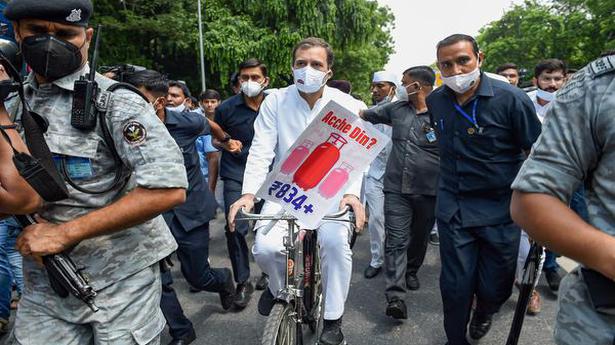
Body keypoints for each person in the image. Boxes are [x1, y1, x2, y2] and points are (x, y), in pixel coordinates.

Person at [3, 1, 190, 343]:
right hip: (46, 284)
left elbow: (168, 188)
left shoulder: (116, 102)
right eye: (37, 32)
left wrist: (66, 233)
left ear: (86, 36)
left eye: (64, 34)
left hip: (121, 281)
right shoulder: (11, 104)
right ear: (16, 33)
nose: (50, 42)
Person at [228, 37, 366, 345]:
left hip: (332, 191)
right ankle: (280, 292)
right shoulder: (275, 100)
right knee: (265, 248)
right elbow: (262, 150)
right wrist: (249, 193)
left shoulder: (349, 105)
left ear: (328, 72)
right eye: (301, 63)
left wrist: (353, 195)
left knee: (334, 245)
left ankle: (332, 320)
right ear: (292, 67)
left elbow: (357, 157)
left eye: (316, 65)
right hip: (287, 189)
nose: (307, 70)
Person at [426, 34, 541, 345]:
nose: (456, 70)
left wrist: (539, 209)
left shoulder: (512, 99)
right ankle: (455, 339)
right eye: (446, 65)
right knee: (455, 286)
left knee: (496, 286)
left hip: (501, 210)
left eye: (463, 60)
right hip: (454, 209)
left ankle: (485, 310)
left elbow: (537, 154)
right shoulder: (436, 100)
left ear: (480, 58)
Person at [124, 69, 241, 345]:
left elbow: (209, 126)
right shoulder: (126, 127)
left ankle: (222, 280)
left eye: (138, 98)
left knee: (197, 276)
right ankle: (181, 329)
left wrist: (224, 140)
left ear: (160, 102)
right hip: (152, 214)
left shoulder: (185, 123)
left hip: (190, 211)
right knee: (157, 278)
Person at [510, 52, 615, 345]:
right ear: (536, 80)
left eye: (558, 78)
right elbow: (533, 200)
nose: (553, 84)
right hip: (603, 314)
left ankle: (553, 269)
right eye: (547, 78)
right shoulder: (599, 87)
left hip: (578, 188)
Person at [361, 66, 439, 319]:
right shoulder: (395, 109)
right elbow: (366, 114)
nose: (402, 87)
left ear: (418, 86)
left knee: (419, 237)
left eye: (405, 83)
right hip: (395, 188)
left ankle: (412, 270)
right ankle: (395, 296)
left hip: (429, 191)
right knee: (395, 241)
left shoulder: (443, 113)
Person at [214, 58, 270, 308]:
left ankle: (270, 274)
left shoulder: (276, 105)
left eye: (255, 78)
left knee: (271, 227)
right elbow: (216, 139)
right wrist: (225, 143)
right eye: (244, 78)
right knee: (234, 224)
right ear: (238, 81)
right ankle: (242, 281)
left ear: (265, 81)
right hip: (237, 172)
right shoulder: (226, 108)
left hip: (271, 175)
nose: (249, 82)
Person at [363, 71, 395, 279]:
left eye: (380, 86)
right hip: (374, 175)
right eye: (373, 86)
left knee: (398, 223)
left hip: (398, 177)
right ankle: (377, 259)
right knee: (375, 219)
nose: (374, 90)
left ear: (392, 88)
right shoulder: (367, 114)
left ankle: (399, 262)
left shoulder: (403, 111)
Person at [195, 89, 223, 193]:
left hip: (217, 174)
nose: (209, 105)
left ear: (219, 102)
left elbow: (213, 158)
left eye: (213, 102)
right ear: (201, 103)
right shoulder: (195, 120)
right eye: (206, 102)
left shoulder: (224, 119)